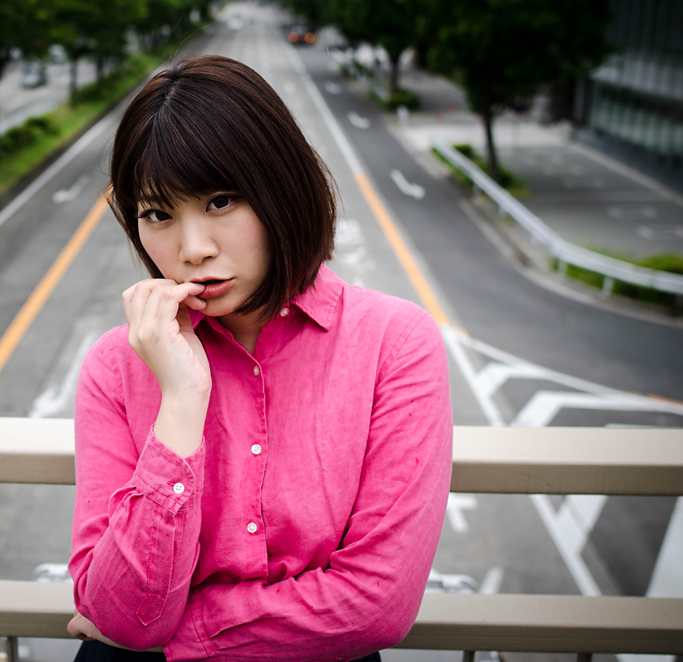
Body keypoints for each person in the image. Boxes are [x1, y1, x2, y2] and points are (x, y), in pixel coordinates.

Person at [67, 55, 452, 662]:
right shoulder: (117, 368)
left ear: (282, 187)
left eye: (221, 200)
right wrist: (182, 403)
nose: (192, 249)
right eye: (158, 213)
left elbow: (375, 607)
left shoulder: (393, 344)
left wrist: (182, 630)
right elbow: (121, 616)